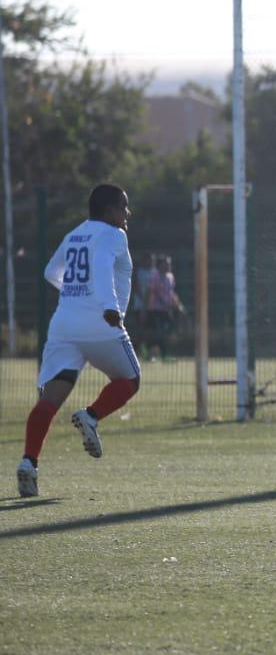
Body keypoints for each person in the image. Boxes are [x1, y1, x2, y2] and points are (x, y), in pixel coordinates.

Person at [16, 184, 143, 498]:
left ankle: (29, 463)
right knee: (131, 380)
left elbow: (50, 272)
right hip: (100, 322)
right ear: (108, 210)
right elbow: (100, 265)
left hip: (64, 325)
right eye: (123, 207)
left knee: (50, 399)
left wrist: (75, 293)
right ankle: (91, 415)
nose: (127, 213)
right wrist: (108, 307)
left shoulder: (75, 234)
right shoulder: (114, 235)